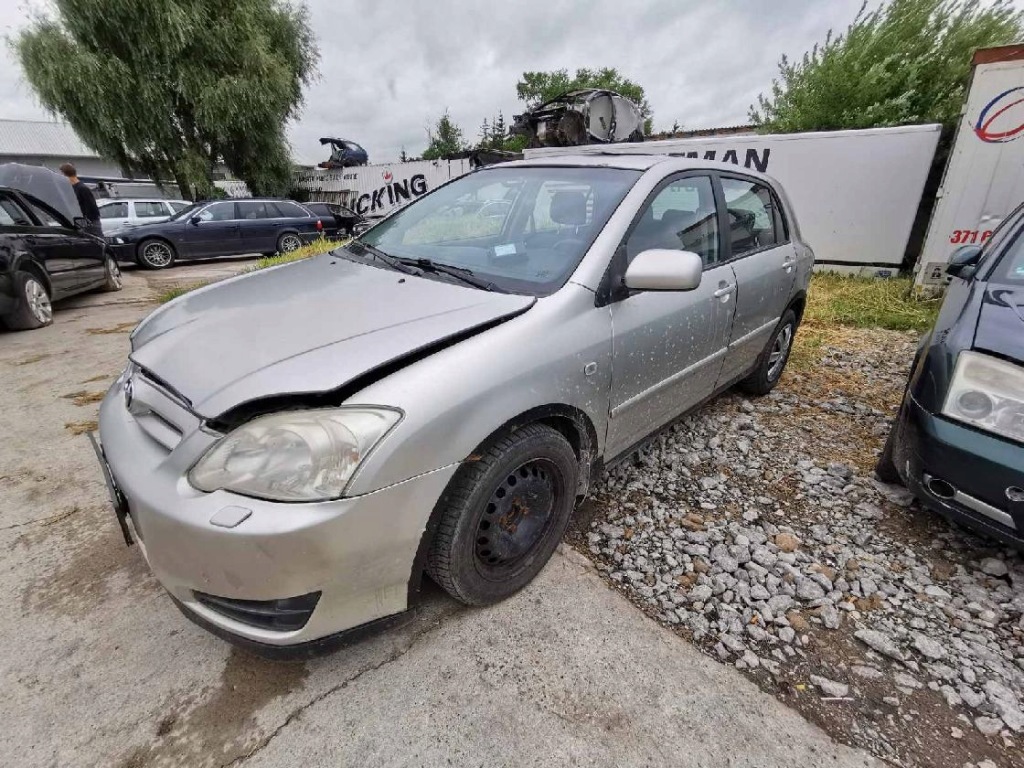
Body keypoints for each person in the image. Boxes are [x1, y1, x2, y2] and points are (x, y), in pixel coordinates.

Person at [59, 163, 102, 236]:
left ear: (65, 175)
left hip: (90, 224)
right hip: (80, 224)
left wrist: (86, 222)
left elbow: (91, 207)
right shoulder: (72, 188)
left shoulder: (82, 188)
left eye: (61, 174)